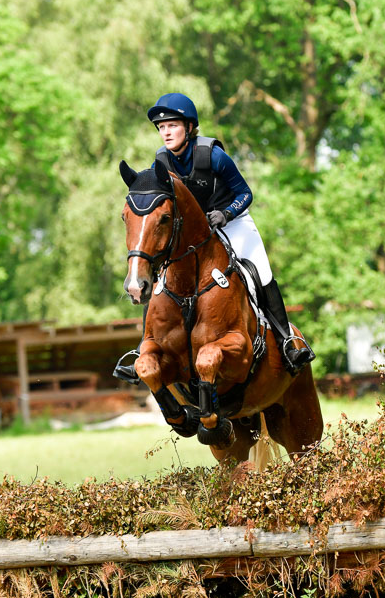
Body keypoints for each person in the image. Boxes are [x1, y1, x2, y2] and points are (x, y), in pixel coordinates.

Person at [114, 92, 314, 383]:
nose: (166, 132)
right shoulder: (161, 161)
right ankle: (142, 349)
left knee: (261, 270)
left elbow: (245, 193)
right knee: (158, 278)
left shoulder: (212, 155)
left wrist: (226, 214)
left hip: (232, 222)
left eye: (172, 126)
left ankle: (287, 342)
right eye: (161, 128)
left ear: (189, 127)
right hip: (196, 232)